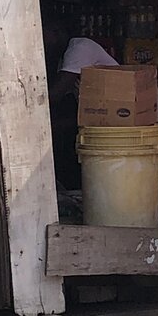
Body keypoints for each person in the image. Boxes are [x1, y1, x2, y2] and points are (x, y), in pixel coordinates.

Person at [42, 13, 118, 189]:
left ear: (57, 32)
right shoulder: (65, 56)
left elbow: (55, 95)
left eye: (44, 35)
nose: (43, 42)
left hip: (115, 115)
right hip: (98, 114)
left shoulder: (79, 48)